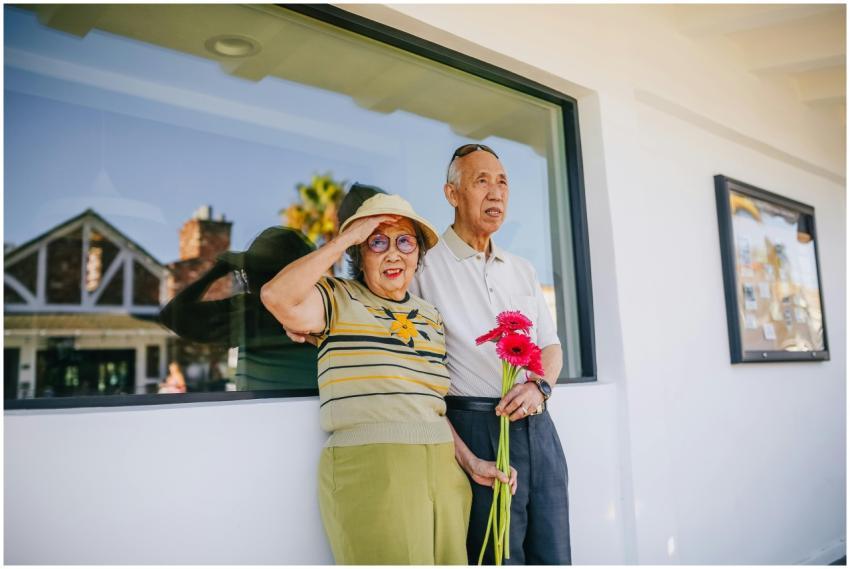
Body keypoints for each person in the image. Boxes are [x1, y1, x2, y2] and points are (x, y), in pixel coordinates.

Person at [261, 186, 504, 564]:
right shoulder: (336, 298)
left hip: (445, 471)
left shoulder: (430, 316)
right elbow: (277, 297)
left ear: (418, 254)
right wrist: (346, 237)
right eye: (377, 243)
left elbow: (429, 405)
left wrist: (470, 463)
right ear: (359, 255)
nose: (393, 253)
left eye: (405, 242)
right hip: (374, 469)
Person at [409, 143, 572, 565]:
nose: (495, 192)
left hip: (539, 425)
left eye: (502, 182)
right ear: (451, 194)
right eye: (481, 181)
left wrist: (541, 386)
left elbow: (551, 346)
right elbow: (413, 373)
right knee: (495, 555)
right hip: (475, 428)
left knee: (554, 552)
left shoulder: (522, 268)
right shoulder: (423, 267)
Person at [159, 226, 317, 391]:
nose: (248, 279)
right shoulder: (324, 306)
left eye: (250, 271)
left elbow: (172, 315)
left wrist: (216, 272)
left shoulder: (249, 311)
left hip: (259, 409)